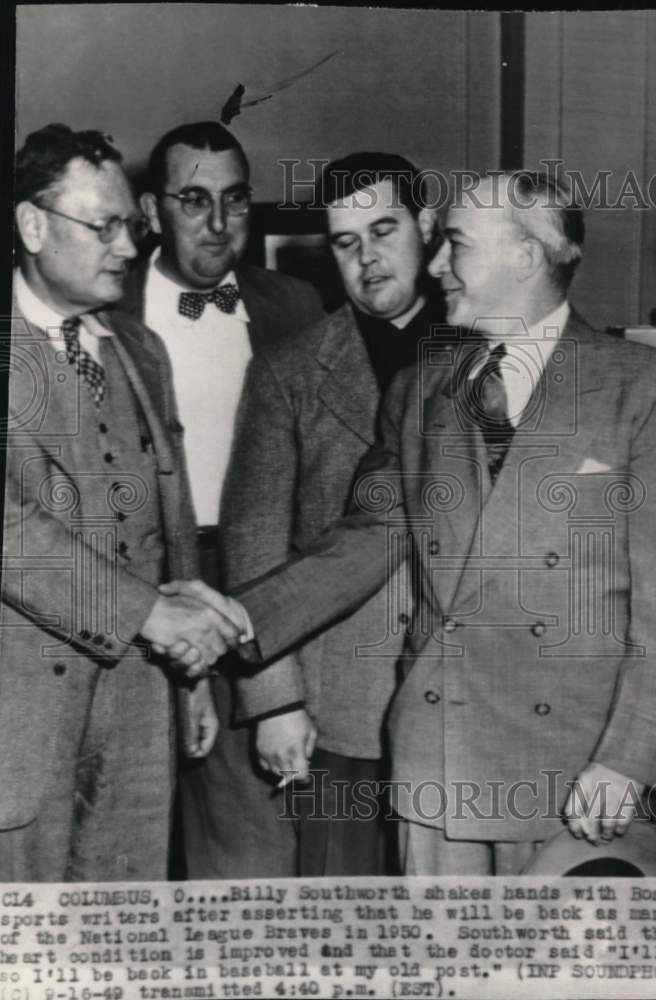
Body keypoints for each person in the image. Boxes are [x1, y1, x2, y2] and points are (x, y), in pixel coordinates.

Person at [174, 168, 656, 874]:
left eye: (455, 244)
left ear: (524, 256)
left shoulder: (650, 391)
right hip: (439, 757)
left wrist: (629, 760)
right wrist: (241, 619)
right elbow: (367, 539)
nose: (434, 265)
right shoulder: (421, 390)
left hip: (576, 769)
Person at [4, 124, 246, 881]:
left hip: (141, 708)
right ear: (33, 225)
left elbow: (172, 523)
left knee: (126, 924)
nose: (128, 246)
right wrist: (149, 615)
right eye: (103, 226)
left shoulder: (142, 349)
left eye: (130, 226)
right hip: (18, 720)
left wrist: (191, 681)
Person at [221, 152, 442, 876]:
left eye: (384, 231)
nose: (366, 257)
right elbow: (254, 543)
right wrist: (273, 701)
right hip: (342, 705)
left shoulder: (491, 346)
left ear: (427, 225)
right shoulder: (287, 371)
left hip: (474, 702)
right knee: (342, 912)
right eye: (346, 242)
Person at [119, 121, 324, 878]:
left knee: (249, 846)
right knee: (123, 830)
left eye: (234, 201)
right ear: (152, 210)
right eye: (193, 200)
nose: (216, 223)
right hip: (136, 585)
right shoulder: (106, 307)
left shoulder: (294, 305)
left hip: (252, 582)